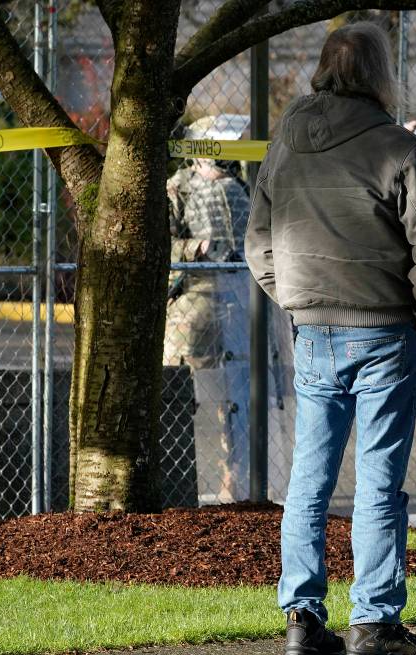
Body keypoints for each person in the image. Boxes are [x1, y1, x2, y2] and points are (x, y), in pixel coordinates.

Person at [244, 22, 416, 655]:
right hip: (386, 329)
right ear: (379, 74)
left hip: (312, 328)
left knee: (308, 480)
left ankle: (303, 621)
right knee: (378, 481)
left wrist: (292, 294)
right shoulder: (402, 150)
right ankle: (375, 623)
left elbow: (257, 235)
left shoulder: (286, 144)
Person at [164, 115, 252, 503]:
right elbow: (159, 246)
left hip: (237, 303)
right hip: (193, 306)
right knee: (180, 395)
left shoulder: (240, 188)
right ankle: (175, 482)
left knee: (237, 402)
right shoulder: (178, 187)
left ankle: (236, 482)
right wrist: (192, 249)